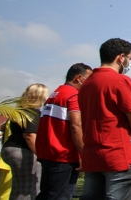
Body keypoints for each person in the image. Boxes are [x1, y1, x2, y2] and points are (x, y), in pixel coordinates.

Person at [78, 38, 131, 200]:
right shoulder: (120, 81)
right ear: (120, 58)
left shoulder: (86, 84)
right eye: (130, 58)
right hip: (120, 156)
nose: (130, 63)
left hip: (93, 157)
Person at [35, 63, 92, 200]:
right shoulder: (73, 96)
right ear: (79, 78)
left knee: (47, 193)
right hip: (64, 155)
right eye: (88, 79)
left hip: (48, 153)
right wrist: (83, 154)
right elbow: (76, 126)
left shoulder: (55, 94)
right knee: (60, 195)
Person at [1, 83, 49, 200]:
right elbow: (29, 135)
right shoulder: (31, 112)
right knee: (28, 188)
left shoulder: (20, 111)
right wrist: (40, 155)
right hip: (24, 150)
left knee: (18, 187)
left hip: (11, 147)